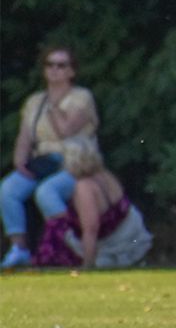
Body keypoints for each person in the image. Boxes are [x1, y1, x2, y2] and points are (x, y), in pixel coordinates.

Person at [1, 44, 99, 268]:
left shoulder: (81, 97)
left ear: (71, 71)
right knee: (8, 189)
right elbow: (25, 136)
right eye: (50, 65)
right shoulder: (35, 101)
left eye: (61, 65)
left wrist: (54, 107)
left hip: (74, 162)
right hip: (44, 161)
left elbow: (66, 130)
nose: (54, 70)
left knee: (47, 192)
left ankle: (67, 244)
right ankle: (19, 249)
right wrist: (20, 161)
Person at [33, 136, 152, 268]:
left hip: (112, 244)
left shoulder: (84, 187)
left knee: (55, 229)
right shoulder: (106, 175)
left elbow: (91, 229)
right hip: (130, 231)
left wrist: (88, 264)